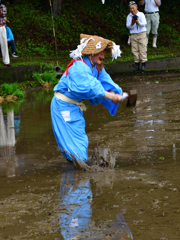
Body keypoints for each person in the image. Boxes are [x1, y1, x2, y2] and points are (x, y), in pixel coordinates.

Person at [51, 33, 124, 163]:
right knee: (71, 145)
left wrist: (116, 93)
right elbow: (91, 86)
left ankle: (79, 169)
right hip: (62, 107)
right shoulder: (79, 66)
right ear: (91, 53)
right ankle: (76, 172)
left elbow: (106, 82)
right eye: (100, 52)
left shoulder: (96, 68)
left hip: (74, 107)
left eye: (104, 52)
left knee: (81, 141)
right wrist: (109, 95)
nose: (103, 55)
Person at [126, 1, 147, 71]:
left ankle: (143, 64)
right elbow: (128, 27)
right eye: (130, 8)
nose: (132, 10)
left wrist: (138, 22)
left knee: (142, 49)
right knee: (134, 50)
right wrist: (132, 23)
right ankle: (137, 65)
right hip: (133, 34)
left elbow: (144, 24)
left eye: (133, 8)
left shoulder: (141, 14)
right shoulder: (129, 16)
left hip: (142, 33)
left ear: (136, 7)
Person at [0, 0, 11, 67]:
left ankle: (6, 61)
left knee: (4, 44)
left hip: (1, 27)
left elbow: (3, 14)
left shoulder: (3, 6)